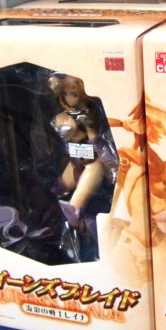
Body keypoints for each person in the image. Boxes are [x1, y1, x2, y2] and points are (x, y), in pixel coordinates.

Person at [50, 74, 118, 240]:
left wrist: (112, 167)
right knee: (56, 191)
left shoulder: (89, 117)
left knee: (74, 210)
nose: (68, 99)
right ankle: (51, 228)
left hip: (93, 164)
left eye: (73, 94)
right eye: (65, 94)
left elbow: (99, 144)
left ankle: (102, 236)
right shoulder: (64, 115)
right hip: (75, 162)